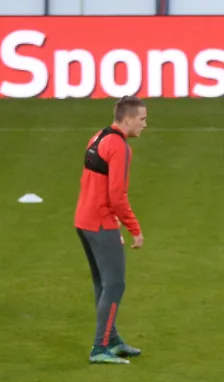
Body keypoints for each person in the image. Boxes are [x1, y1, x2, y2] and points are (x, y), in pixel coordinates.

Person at [75, 95, 148, 364]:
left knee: (102, 284)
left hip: (84, 219)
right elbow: (117, 195)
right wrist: (135, 229)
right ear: (127, 119)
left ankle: (112, 339)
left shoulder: (98, 137)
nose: (144, 124)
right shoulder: (119, 147)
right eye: (142, 119)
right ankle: (100, 347)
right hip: (100, 223)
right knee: (114, 284)